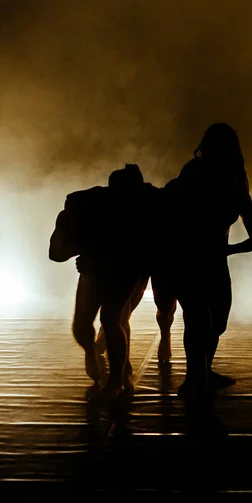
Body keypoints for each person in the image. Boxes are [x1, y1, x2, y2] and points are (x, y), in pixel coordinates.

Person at [153, 122, 252, 402]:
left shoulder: (236, 184)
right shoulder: (195, 173)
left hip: (212, 261)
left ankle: (203, 371)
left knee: (216, 323)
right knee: (199, 320)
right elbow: (173, 210)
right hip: (188, 259)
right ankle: (194, 379)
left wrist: (225, 252)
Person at [49, 164, 162, 402]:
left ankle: (118, 379)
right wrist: (78, 244)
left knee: (112, 318)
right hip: (95, 266)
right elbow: (57, 253)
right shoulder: (86, 205)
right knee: (82, 326)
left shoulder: (150, 204)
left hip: (128, 265)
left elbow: (155, 244)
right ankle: (94, 353)